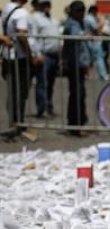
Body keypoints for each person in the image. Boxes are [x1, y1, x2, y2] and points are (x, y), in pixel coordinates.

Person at [2, 0, 38, 141]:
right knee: (20, 92)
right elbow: (22, 35)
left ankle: (16, 122)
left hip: (8, 56)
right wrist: (30, 55)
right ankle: (17, 124)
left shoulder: (7, 9)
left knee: (14, 91)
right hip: (19, 57)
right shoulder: (21, 13)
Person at [61, 0, 90, 137]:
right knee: (76, 95)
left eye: (83, 11)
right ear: (73, 12)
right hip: (74, 64)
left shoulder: (79, 23)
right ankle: (75, 124)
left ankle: (79, 122)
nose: (82, 14)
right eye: (80, 11)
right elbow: (74, 37)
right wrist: (85, 36)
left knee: (80, 94)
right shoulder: (71, 23)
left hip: (80, 64)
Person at [29, 0, 59, 119]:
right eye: (44, 4)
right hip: (44, 54)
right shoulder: (35, 18)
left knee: (50, 84)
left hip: (54, 54)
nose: (47, 6)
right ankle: (42, 109)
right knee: (43, 83)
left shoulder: (52, 18)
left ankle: (49, 106)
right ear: (39, 5)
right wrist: (37, 53)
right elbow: (33, 37)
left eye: (48, 4)